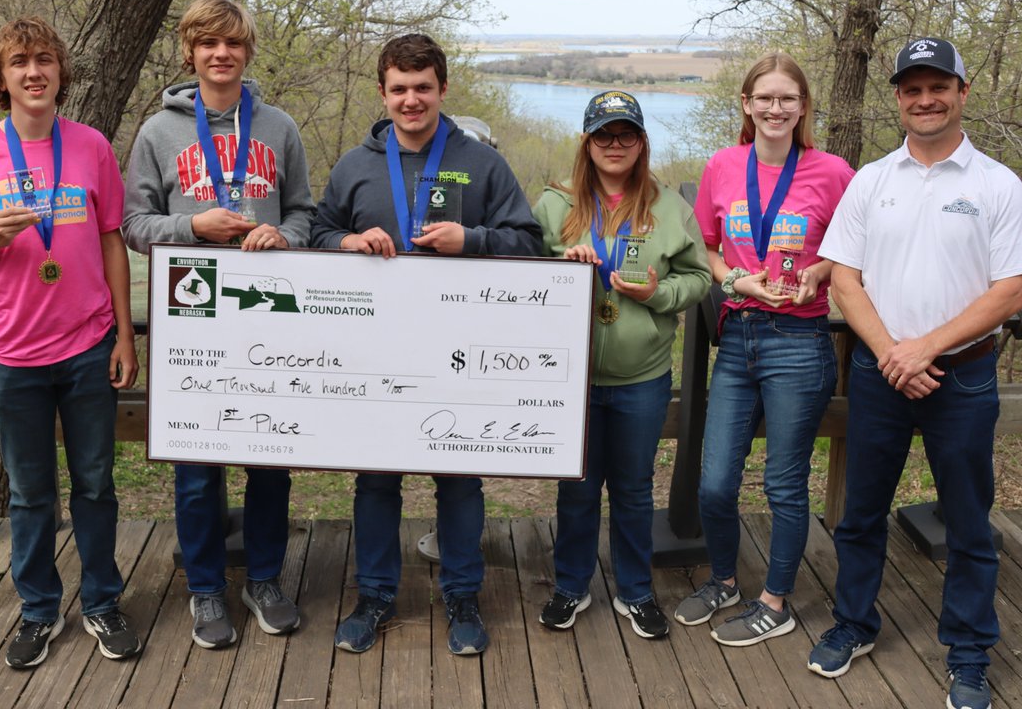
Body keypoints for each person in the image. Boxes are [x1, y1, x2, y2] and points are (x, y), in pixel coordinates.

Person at [809, 38, 1022, 709]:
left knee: (970, 525)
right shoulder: (871, 181)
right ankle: (853, 624)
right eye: (911, 89)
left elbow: (1009, 292)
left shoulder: (996, 185)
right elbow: (846, 281)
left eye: (937, 86)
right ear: (898, 98)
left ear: (962, 92)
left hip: (964, 381)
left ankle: (969, 654)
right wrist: (894, 353)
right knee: (860, 514)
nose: (925, 99)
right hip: (879, 377)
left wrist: (926, 349)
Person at [311, 33, 541, 656]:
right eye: (399, 89)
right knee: (376, 480)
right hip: (376, 351)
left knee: (460, 481)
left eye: (423, 88)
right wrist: (347, 244)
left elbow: (529, 241)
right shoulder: (356, 164)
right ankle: (376, 595)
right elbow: (320, 230)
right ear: (383, 94)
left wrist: (471, 239)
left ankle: (463, 595)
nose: (411, 100)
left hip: (459, 350)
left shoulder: (483, 162)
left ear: (442, 89)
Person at [0, 17, 141, 668]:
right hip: (14, 355)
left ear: (61, 72)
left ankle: (103, 602)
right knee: (30, 494)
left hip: (87, 348)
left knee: (95, 485)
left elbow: (112, 236)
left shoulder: (90, 147)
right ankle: (37, 610)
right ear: (1, 79)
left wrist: (123, 333)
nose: (35, 71)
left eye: (45, 59)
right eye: (21, 62)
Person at [122, 0, 316, 649]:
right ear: (191, 52)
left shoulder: (280, 127)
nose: (221, 54)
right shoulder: (158, 132)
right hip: (195, 316)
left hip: (268, 312)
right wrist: (193, 227)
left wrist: (280, 237)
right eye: (208, 43)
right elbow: (133, 225)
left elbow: (304, 213)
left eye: (232, 43)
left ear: (246, 51)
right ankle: (205, 590)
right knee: (196, 464)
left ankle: (263, 578)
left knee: (270, 455)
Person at [678, 53, 853, 646]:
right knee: (715, 482)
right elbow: (705, 248)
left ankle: (775, 601)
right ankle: (725, 580)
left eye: (787, 98)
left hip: (800, 341)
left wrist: (819, 274)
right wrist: (735, 280)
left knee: (783, 483)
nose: (775, 108)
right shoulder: (723, 166)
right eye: (764, 98)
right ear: (747, 106)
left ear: (803, 106)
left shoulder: (832, 172)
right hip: (739, 335)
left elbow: (858, 249)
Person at [533, 91, 711, 639]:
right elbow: (520, 270)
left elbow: (699, 278)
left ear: (641, 143)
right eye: (604, 135)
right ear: (587, 142)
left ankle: (635, 592)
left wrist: (658, 294)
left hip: (642, 378)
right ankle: (571, 586)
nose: (615, 145)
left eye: (626, 135)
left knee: (634, 489)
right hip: (574, 376)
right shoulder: (554, 204)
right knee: (579, 487)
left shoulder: (667, 207)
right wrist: (562, 266)